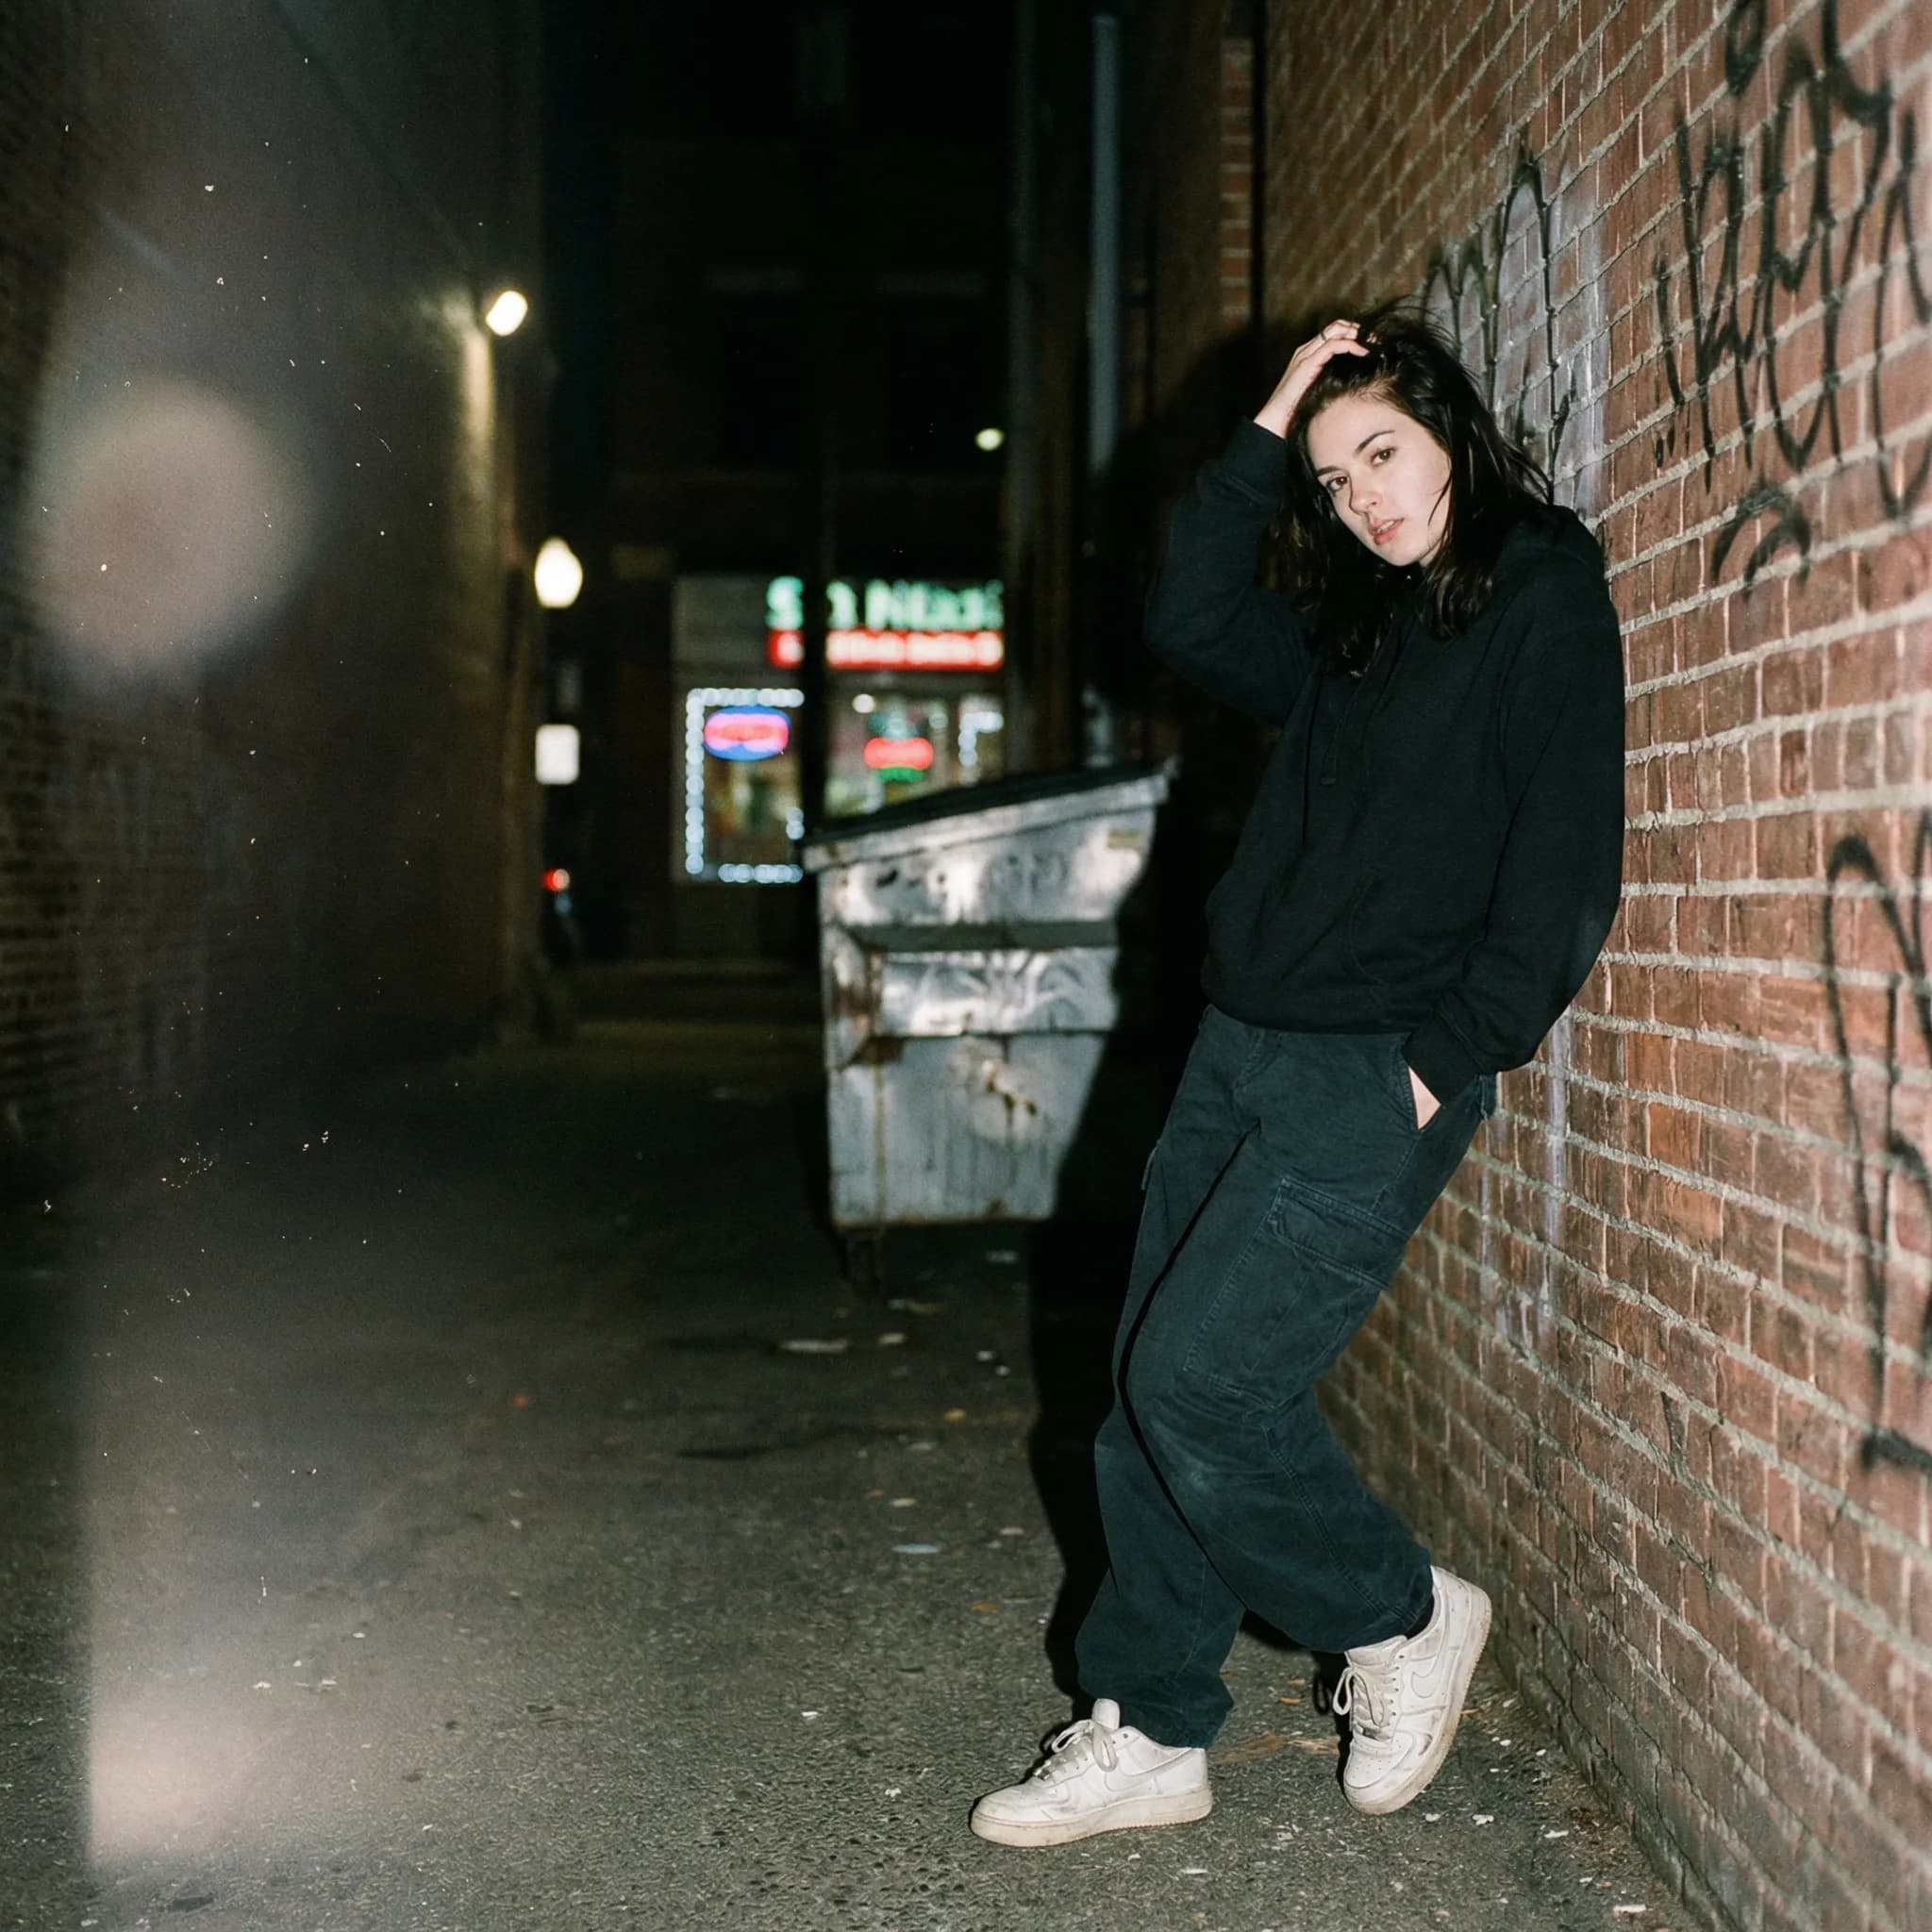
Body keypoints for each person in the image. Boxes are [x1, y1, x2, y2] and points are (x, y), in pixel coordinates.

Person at [972, 308, 1625, 1845]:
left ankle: (1398, 1619)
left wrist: (1442, 1063)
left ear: (1451, 427)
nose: (1367, 499)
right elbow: (1189, 615)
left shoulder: (1543, 597)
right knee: (1145, 1389)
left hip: (1371, 1070)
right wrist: (1271, 422)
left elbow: (1566, 870)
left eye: (1382, 454)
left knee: (1208, 1387)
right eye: (1336, 479)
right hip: (1240, 1042)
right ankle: (1152, 1728)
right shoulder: (1357, 624)